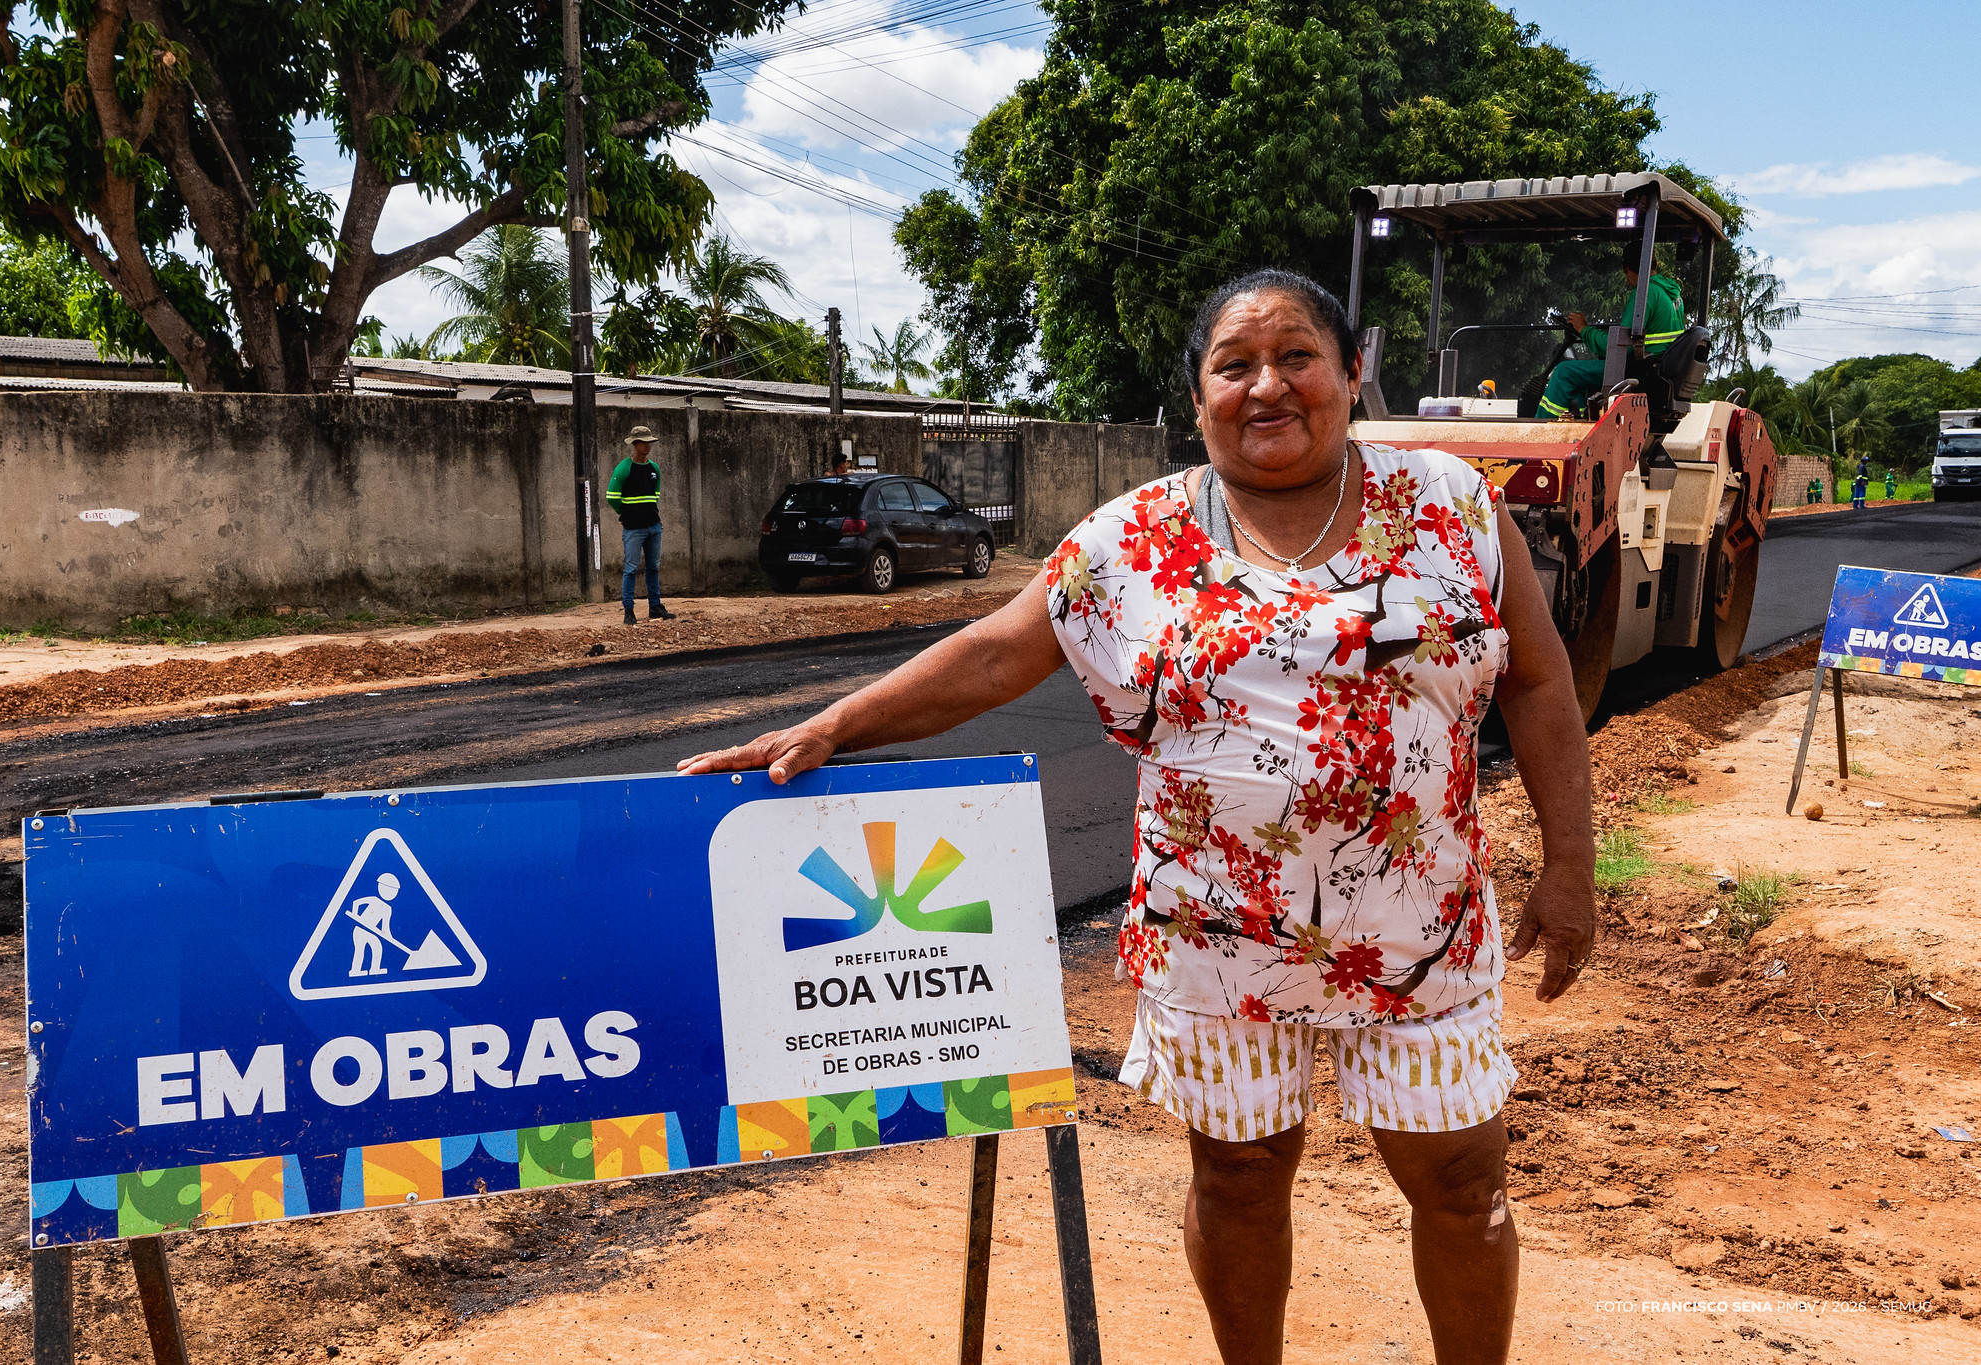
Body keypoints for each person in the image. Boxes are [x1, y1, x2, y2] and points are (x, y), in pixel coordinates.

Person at [680, 268, 1597, 1365]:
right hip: (1216, 937)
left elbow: (1538, 682)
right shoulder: (1129, 542)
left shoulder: (1451, 505)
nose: (1268, 385)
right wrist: (832, 726)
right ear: (1197, 393)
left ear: (1352, 373)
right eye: (1234, 364)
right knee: (1240, 1177)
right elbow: (990, 655)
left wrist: (1569, 866)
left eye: (1297, 356)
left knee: (1459, 1182)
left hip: (1421, 932)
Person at [1538, 240, 1686, 419]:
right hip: (1657, 370)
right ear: (1654, 263)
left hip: (1638, 371)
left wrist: (1584, 330)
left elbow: (1622, 346)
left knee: (1564, 372)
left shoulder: (1645, 294)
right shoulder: (1672, 294)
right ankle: (1587, 420)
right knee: (1582, 376)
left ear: (1625, 269)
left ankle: (1541, 427)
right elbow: (1638, 338)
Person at [607, 425, 676, 625]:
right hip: (634, 528)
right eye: (644, 442)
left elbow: (656, 494)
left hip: (654, 525)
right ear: (635, 444)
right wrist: (626, 514)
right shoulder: (624, 468)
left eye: (650, 442)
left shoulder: (654, 468)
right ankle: (629, 610)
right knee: (631, 569)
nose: (648, 446)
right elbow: (612, 497)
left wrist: (646, 511)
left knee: (653, 567)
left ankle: (655, 606)